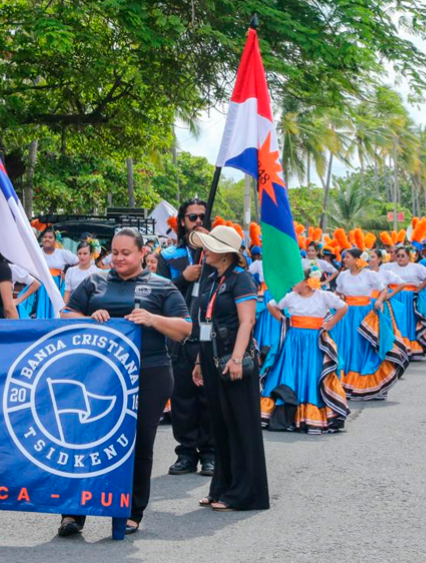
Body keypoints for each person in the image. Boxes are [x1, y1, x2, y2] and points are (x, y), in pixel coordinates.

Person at [59, 228, 192, 537]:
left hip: (151, 373)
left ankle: (133, 511)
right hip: (97, 376)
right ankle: (73, 513)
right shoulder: (95, 281)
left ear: (142, 253)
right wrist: (89, 318)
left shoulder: (162, 286)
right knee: (86, 441)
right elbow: (65, 313)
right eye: (114, 252)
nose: (118, 258)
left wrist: (152, 319)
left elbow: (184, 328)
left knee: (139, 443)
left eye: (125, 253)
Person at [187, 226, 269, 513]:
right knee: (219, 425)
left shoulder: (241, 279)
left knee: (240, 426)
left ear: (225, 253)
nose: (204, 250)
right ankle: (221, 486)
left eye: (210, 246)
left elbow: (246, 322)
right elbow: (204, 324)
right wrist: (199, 361)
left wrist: (236, 358)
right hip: (210, 358)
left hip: (233, 360)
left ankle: (244, 493)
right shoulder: (212, 278)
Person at [157, 198, 215, 477]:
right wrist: (185, 278)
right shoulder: (169, 256)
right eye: (193, 217)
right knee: (182, 397)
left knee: (208, 396)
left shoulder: (219, 254)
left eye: (203, 217)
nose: (198, 222)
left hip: (209, 333)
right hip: (179, 334)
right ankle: (186, 453)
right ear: (182, 221)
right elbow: (157, 293)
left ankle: (210, 453)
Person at [262, 278, 350, 434]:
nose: (293, 284)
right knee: (291, 373)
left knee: (311, 373)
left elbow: (343, 307)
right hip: (293, 341)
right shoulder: (290, 297)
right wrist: (283, 320)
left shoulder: (323, 296)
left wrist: (330, 324)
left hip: (314, 340)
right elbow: (271, 305)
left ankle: (309, 414)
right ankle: (288, 411)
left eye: (296, 281)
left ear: (307, 282)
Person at [334, 249, 407, 401]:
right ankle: (345, 382)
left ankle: (367, 382)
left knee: (362, 347)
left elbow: (383, 290)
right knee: (347, 346)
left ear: (356, 259)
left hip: (364, 314)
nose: (344, 260)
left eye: (347, 257)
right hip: (347, 315)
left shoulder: (369, 275)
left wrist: (380, 301)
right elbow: (338, 293)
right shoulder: (342, 275)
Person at [381, 246, 426, 361]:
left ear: (408, 257)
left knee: (409, 322)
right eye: (398, 255)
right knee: (395, 322)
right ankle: (395, 348)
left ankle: (409, 348)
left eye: (403, 256)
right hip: (394, 298)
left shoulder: (416, 267)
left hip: (409, 298)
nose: (400, 258)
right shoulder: (389, 267)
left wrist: (420, 287)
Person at [36, 227, 79, 319]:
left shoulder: (62, 253)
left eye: (50, 237)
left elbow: (78, 261)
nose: (47, 239)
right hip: (42, 286)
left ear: (55, 240)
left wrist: (68, 274)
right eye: (45, 237)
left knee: (57, 310)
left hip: (58, 285)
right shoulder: (37, 252)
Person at [63, 238, 101, 305]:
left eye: (85, 253)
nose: (82, 256)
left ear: (91, 255)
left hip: (90, 306)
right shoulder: (70, 271)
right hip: (74, 306)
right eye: (79, 253)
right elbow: (67, 292)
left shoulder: (97, 272)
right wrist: (64, 310)